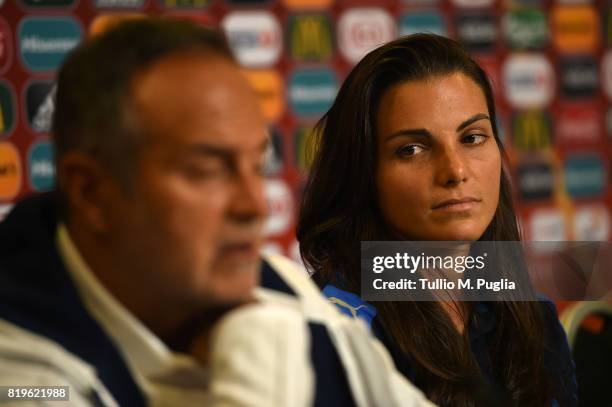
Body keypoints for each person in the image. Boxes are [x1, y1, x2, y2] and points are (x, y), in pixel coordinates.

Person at [0, 18, 434, 407]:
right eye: (208, 170)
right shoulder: (24, 382)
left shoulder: (273, 285)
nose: (254, 206)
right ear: (92, 192)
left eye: (256, 167)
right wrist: (265, 358)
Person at [297, 34, 578, 407]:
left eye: (473, 137)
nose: (455, 170)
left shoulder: (532, 315)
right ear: (363, 172)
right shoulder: (335, 328)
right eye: (412, 149)